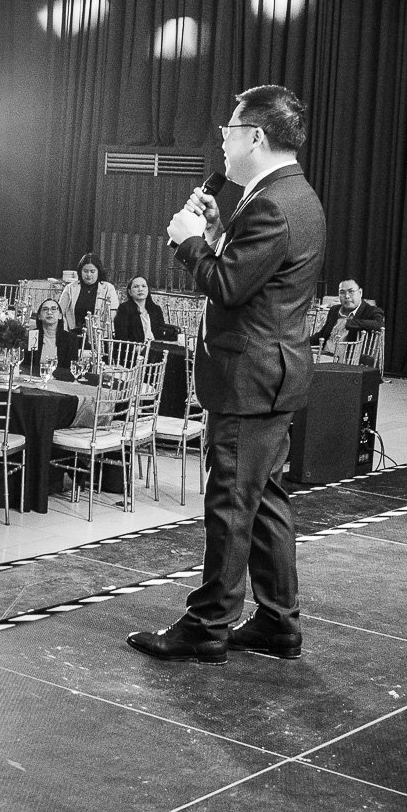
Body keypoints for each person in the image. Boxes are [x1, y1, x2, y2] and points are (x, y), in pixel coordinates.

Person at [131, 84, 325, 665]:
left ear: (255, 136)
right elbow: (255, 277)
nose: (222, 141)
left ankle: (208, 624)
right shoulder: (291, 194)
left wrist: (189, 243)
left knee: (231, 504)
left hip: (250, 377)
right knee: (264, 500)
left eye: (228, 131)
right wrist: (216, 235)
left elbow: (228, 286)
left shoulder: (270, 204)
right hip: (273, 373)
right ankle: (278, 622)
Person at [312, 278, 385, 358]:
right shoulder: (334, 309)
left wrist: (349, 322)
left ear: (360, 292)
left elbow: (380, 325)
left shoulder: (371, 311)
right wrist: (303, 342)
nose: (346, 296)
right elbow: (322, 335)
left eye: (351, 292)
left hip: (348, 360)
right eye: (342, 292)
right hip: (324, 355)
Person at [59, 252, 119, 341]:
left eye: (92, 271)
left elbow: (113, 314)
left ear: (98, 271)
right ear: (80, 271)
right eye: (85, 271)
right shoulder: (70, 288)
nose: (89, 275)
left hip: (100, 337)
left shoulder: (108, 288)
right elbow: (60, 312)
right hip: (73, 336)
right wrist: (65, 331)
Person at [114, 276, 181, 345]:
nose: (140, 289)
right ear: (130, 292)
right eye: (136, 287)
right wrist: (137, 348)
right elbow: (121, 337)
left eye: (143, 286)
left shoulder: (155, 309)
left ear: (148, 290)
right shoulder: (124, 309)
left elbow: (160, 331)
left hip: (155, 346)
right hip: (137, 348)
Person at [21, 297, 75, 378]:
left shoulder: (70, 339)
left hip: (59, 382)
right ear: (39, 316)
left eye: (53, 309)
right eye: (45, 309)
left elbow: (71, 369)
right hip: (34, 379)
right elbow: (25, 365)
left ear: (60, 316)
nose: (49, 312)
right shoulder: (32, 336)